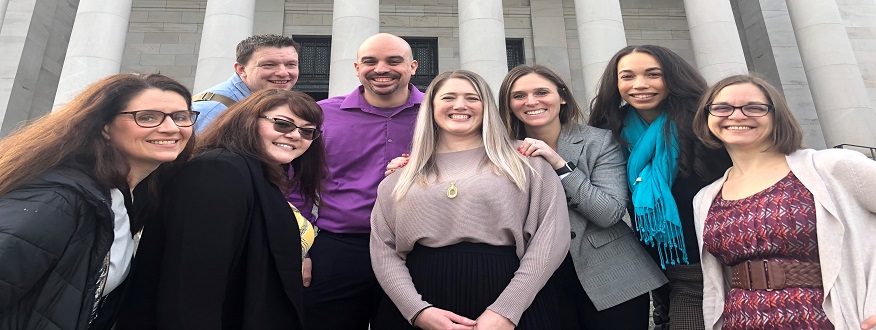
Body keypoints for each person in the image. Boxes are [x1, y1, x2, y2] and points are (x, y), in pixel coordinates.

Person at [371, 69, 571, 330]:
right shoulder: (401, 175)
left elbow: (550, 240)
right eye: (448, 98)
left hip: (511, 300)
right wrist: (417, 311)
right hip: (420, 302)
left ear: (486, 106)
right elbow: (383, 249)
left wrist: (506, 311)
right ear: (430, 107)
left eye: (472, 98)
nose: (460, 105)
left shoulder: (526, 161)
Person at [0, 73, 195, 329]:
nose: (171, 128)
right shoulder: (57, 201)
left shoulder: (124, 197)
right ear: (104, 126)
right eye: (147, 117)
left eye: (180, 116)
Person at [118, 89, 325, 329]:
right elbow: (192, 285)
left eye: (307, 131)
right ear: (248, 120)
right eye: (282, 124)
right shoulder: (218, 171)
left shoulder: (255, 172)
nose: (295, 136)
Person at [691, 74, 876, 330]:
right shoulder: (706, 198)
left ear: (776, 116)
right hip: (740, 319)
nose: (737, 115)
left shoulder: (831, 166)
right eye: (722, 108)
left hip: (822, 318)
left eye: (754, 107)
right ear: (706, 117)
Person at [497, 64, 667, 329]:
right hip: (539, 279)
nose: (531, 102)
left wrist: (559, 164)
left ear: (562, 96)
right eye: (518, 96)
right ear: (508, 105)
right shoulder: (500, 152)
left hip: (611, 275)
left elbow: (609, 212)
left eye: (542, 92)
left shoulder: (598, 141)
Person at [285, 33, 423, 330]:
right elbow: (297, 187)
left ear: (413, 66)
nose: (381, 69)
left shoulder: (438, 114)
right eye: (370, 61)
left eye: (394, 61)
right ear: (357, 67)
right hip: (339, 251)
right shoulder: (323, 115)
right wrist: (298, 251)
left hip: (417, 252)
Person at [588, 44, 731, 329]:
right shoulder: (608, 133)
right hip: (653, 268)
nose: (640, 85)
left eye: (653, 74)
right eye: (627, 76)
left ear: (672, 78)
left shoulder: (706, 126)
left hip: (703, 267)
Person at [192, 34, 300, 132]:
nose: (283, 73)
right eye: (269, 65)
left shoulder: (273, 101)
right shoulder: (212, 110)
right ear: (241, 69)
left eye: (291, 64)